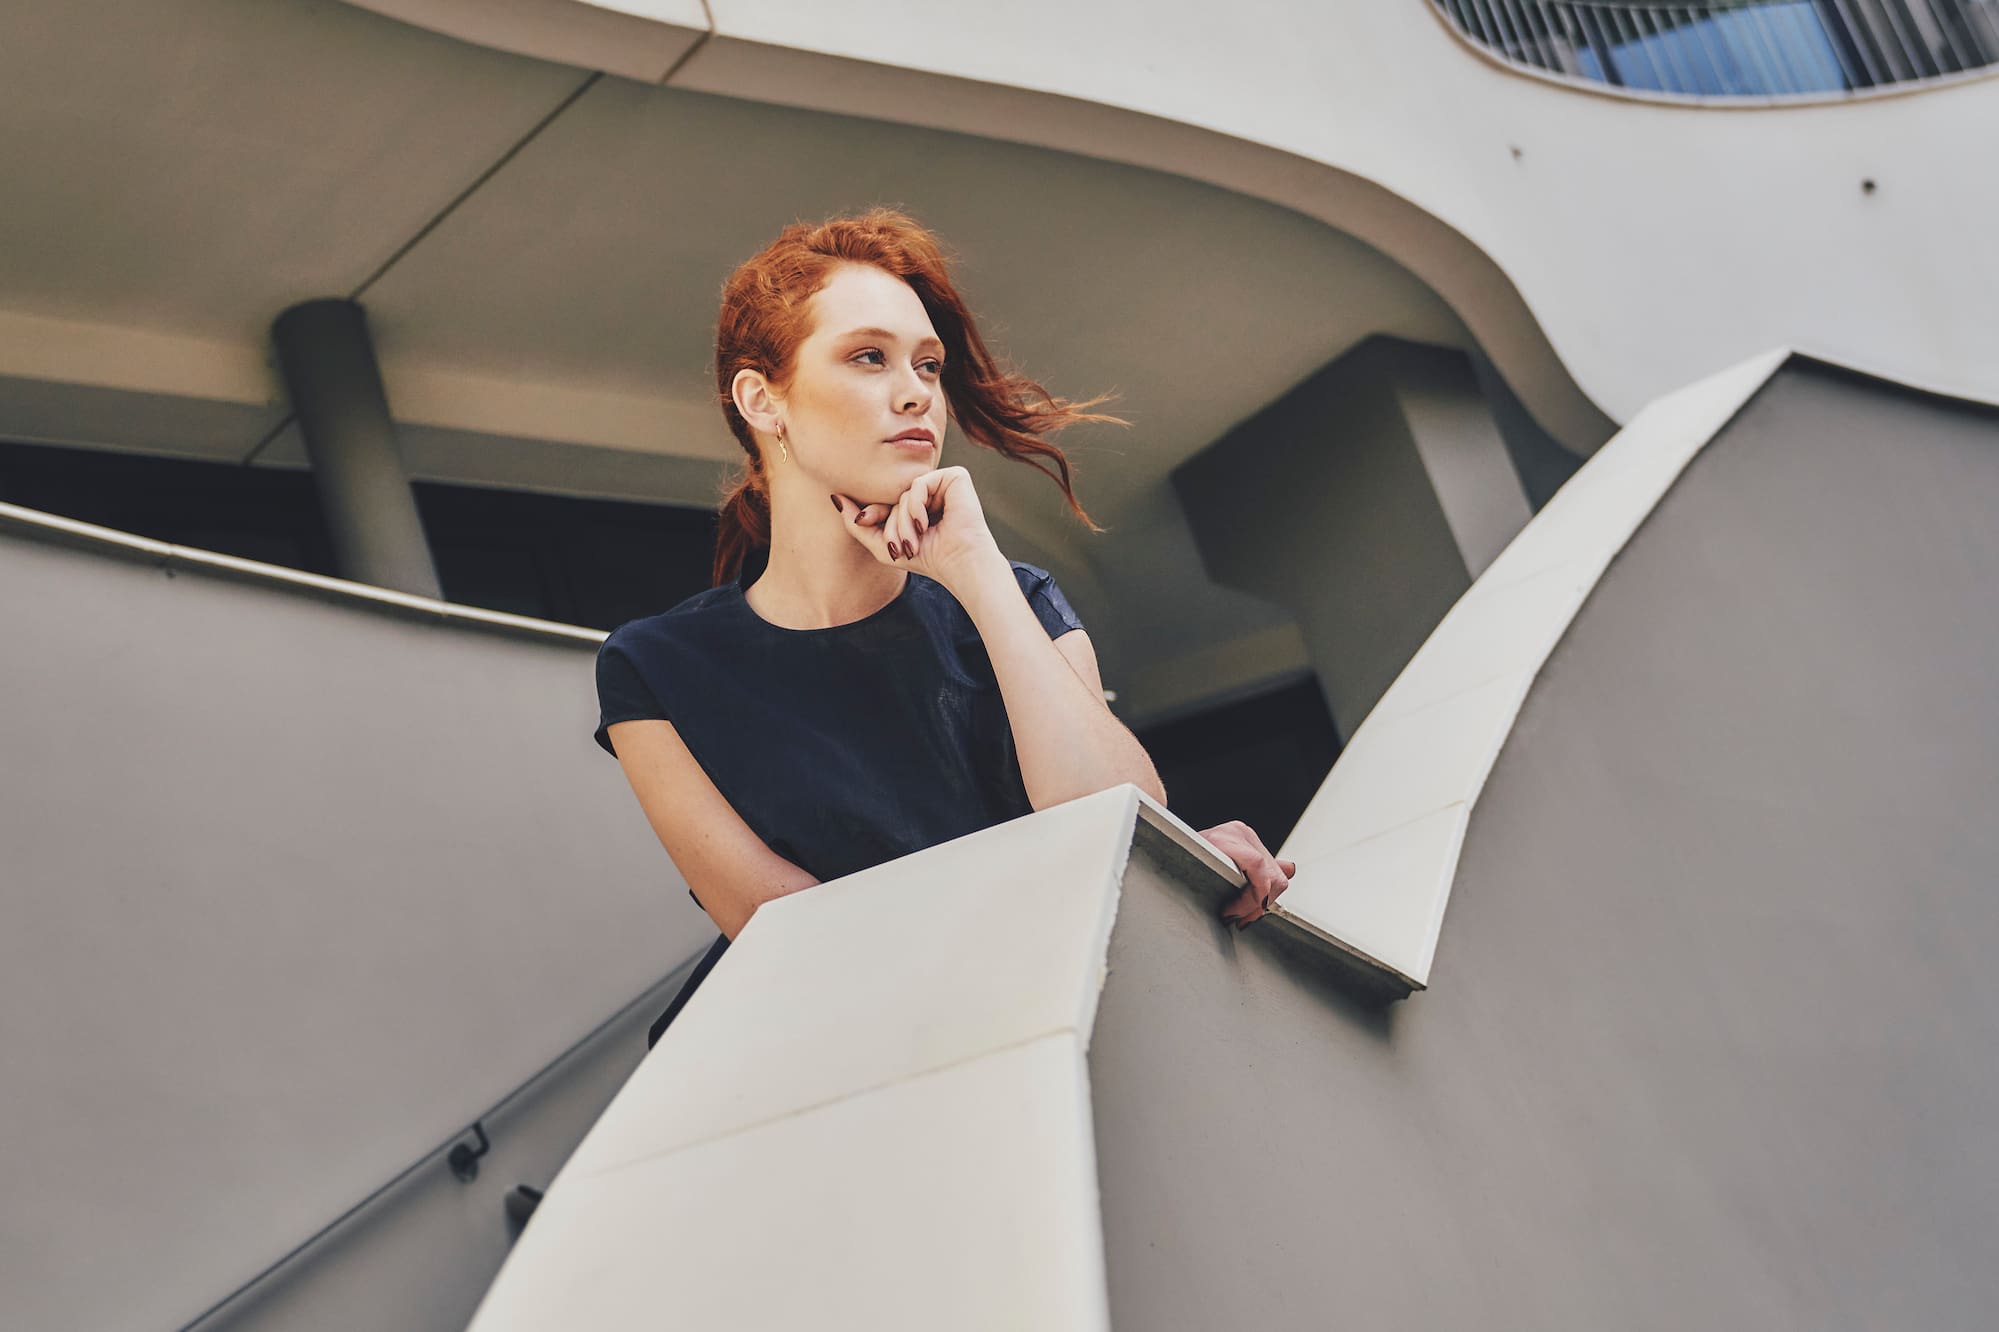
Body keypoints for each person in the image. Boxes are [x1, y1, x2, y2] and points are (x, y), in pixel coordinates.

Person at [594, 207, 1295, 1045]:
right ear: (762, 399)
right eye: (868, 357)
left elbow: (1121, 822)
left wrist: (974, 569)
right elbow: (792, 933)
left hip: (1040, 1041)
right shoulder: (655, 667)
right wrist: (1068, 871)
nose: (916, 393)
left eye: (927, 364)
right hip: (803, 1070)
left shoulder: (1016, 601)